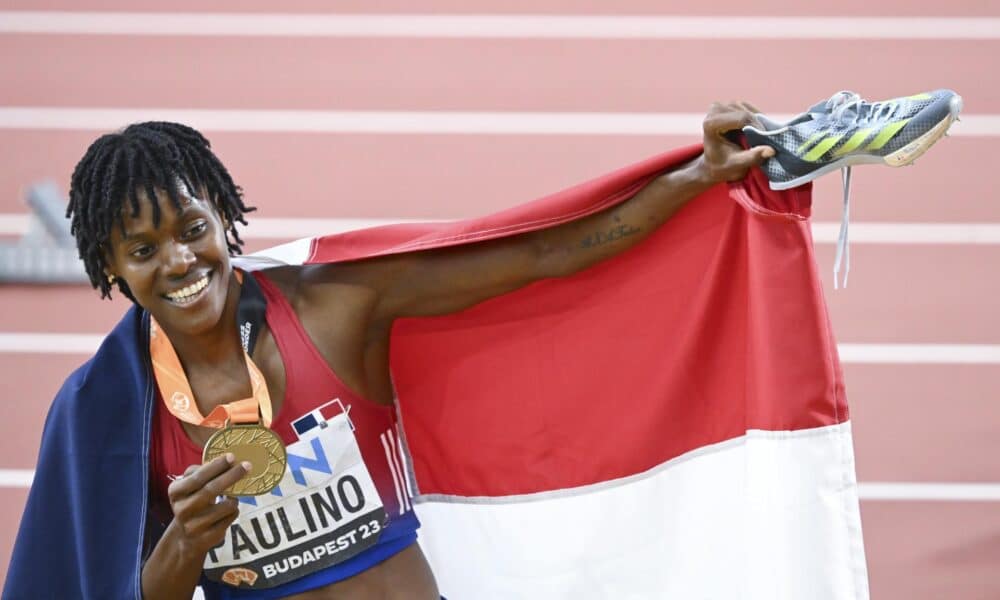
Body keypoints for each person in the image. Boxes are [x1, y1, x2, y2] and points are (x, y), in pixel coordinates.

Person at [5, 103, 773, 600]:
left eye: (192, 229)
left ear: (224, 217)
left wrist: (697, 175)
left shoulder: (334, 307)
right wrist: (185, 541)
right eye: (143, 249)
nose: (178, 262)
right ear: (111, 268)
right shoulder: (109, 411)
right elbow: (120, 593)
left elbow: (541, 254)